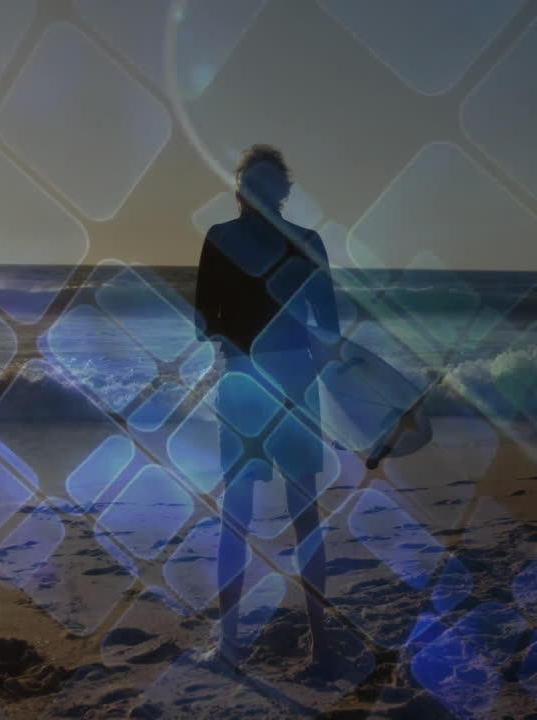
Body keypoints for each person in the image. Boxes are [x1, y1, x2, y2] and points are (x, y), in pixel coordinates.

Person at [194, 145, 339, 670]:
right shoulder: (308, 241)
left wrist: (234, 331)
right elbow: (330, 327)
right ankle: (318, 643)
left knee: (238, 515)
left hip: (244, 381)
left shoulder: (221, 237)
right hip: (293, 379)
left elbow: (202, 323)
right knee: (304, 516)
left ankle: (231, 645)